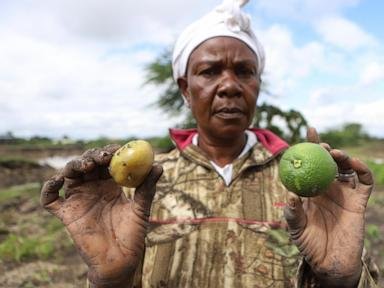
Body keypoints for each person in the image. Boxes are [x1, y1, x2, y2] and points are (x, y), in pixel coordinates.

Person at [41, 0, 379, 287]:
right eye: (210, 71)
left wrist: (342, 279)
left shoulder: (311, 191)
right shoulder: (140, 185)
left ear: (258, 86)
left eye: (245, 71)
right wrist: (111, 281)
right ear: (185, 89)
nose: (230, 85)